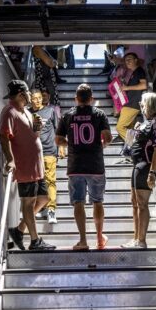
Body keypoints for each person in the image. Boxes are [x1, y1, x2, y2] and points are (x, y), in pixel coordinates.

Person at [0, 80, 55, 252]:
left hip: (36, 165)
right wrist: (10, 159)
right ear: (22, 94)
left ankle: (19, 230)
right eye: (29, 93)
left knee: (44, 198)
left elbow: (33, 136)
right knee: (28, 202)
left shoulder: (27, 113)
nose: (31, 96)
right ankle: (35, 240)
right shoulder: (9, 111)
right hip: (25, 166)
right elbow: (3, 135)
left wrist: (37, 128)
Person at [56, 84, 113, 250]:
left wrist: (71, 144)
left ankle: (83, 241)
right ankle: (99, 239)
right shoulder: (99, 114)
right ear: (91, 99)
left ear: (75, 99)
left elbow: (58, 140)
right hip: (95, 165)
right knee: (98, 202)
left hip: (75, 166)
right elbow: (108, 138)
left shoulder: (67, 116)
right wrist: (100, 146)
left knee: (78, 202)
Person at [123, 92, 156, 249]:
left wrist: (152, 173)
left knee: (142, 204)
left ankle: (141, 241)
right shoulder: (146, 122)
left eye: (143, 104)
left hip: (146, 166)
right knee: (134, 202)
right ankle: (136, 239)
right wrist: (136, 130)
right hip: (138, 165)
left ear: (151, 105)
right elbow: (133, 142)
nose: (141, 107)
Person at [30, 90, 62, 225]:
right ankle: (37, 208)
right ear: (30, 100)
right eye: (34, 98)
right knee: (35, 181)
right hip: (33, 152)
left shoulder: (50, 111)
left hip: (49, 150)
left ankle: (51, 210)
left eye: (39, 98)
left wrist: (61, 147)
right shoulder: (27, 113)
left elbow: (58, 129)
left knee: (50, 181)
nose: (37, 100)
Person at [116, 53, 148, 145]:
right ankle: (133, 150)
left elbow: (144, 85)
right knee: (129, 129)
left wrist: (127, 88)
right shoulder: (134, 73)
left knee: (120, 127)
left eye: (130, 59)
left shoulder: (139, 70)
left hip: (132, 104)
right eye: (126, 60)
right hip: (130, 103)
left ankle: (136, 145)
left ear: (136, 60)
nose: (128, 61)